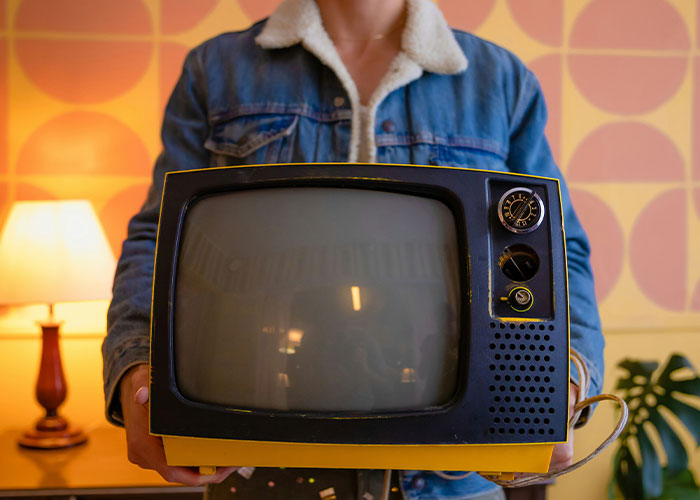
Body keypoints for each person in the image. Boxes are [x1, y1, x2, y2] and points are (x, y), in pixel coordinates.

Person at [102, 0, 605, 498]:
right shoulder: (216, 71)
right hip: (261, 475)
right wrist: (135, 368)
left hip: (452, 484)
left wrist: (565, 380)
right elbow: (157, 235)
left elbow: (560, 251)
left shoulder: (500, 80)